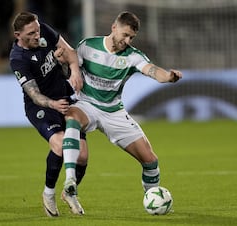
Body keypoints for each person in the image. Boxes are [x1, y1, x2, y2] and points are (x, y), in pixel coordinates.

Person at [61, 11, 183, 211]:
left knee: (150, 161)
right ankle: (69, 183)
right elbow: (71, 67)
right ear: (113, 28)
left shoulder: (132, 56)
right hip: (87, 104)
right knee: (72, 116)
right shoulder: (87, 46)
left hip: (113, 112)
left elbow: (154, 71)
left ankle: (153, 201)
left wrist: (169, 77)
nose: (127, 41)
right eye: (125, 35)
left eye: (131, 37)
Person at [9, 11, 87, 217]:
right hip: (42, 107)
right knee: (60, 145)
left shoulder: (44, 31)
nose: (37, 35)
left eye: (38, 30)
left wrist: (74, 71)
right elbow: (34, 94)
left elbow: (69, 51)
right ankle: (48, 194)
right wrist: (52, 104)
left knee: (82, 155)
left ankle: (69, 192)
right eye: (31, 33)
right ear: (18, 35)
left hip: (64, 96)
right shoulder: (18, 59)